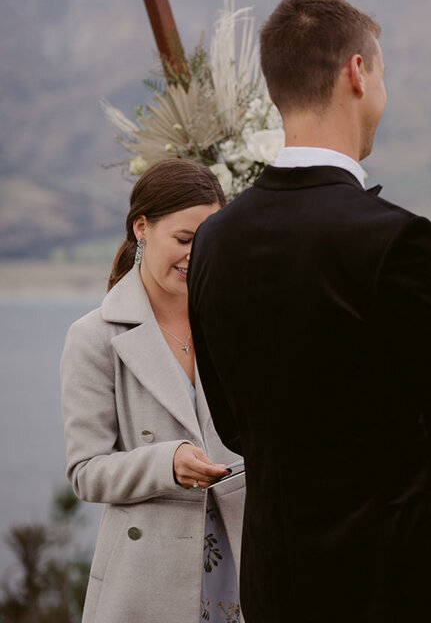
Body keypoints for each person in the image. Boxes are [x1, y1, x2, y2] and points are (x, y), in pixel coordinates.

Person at [187, 0, 431, 623]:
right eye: (382, 74)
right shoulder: (394, 237)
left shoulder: (214, 239)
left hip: (277, 584)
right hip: (396, 582)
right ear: (357, 73)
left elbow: (230, 421)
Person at [60, 158, 243, 623]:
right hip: (146, 577)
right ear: (142, 227)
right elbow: (86, 470)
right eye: (183, 240)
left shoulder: (237, 320)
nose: (195, 256)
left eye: (208, 242)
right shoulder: (94, 336)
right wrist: (167, 463)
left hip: (248, 559)